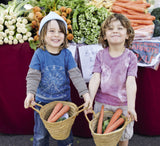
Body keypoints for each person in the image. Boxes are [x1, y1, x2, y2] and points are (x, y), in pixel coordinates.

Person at [24, 11, 91, 146]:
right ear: (43, 34)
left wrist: (85, 94)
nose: (56, 35)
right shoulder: (39, 54)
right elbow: (33, 75)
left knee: (64, 135)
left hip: (64, 103)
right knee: (40, 136)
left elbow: (76, 75)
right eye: (52, 31)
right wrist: (30, 94)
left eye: (61, 32)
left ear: (65, 36)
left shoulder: (66, 54)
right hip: (42, 104)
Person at [88, 13, 138, 146]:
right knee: (103, 138)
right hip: (102, 104)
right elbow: (95, 78)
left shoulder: (131, 57)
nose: (115, 30)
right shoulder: (100, 55)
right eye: (110, 28)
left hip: (123, 105)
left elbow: (131, 82)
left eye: (120, 28)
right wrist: (90, 99)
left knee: (123, 138)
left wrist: (131, 107)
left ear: (127, 34)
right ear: (104, 35)